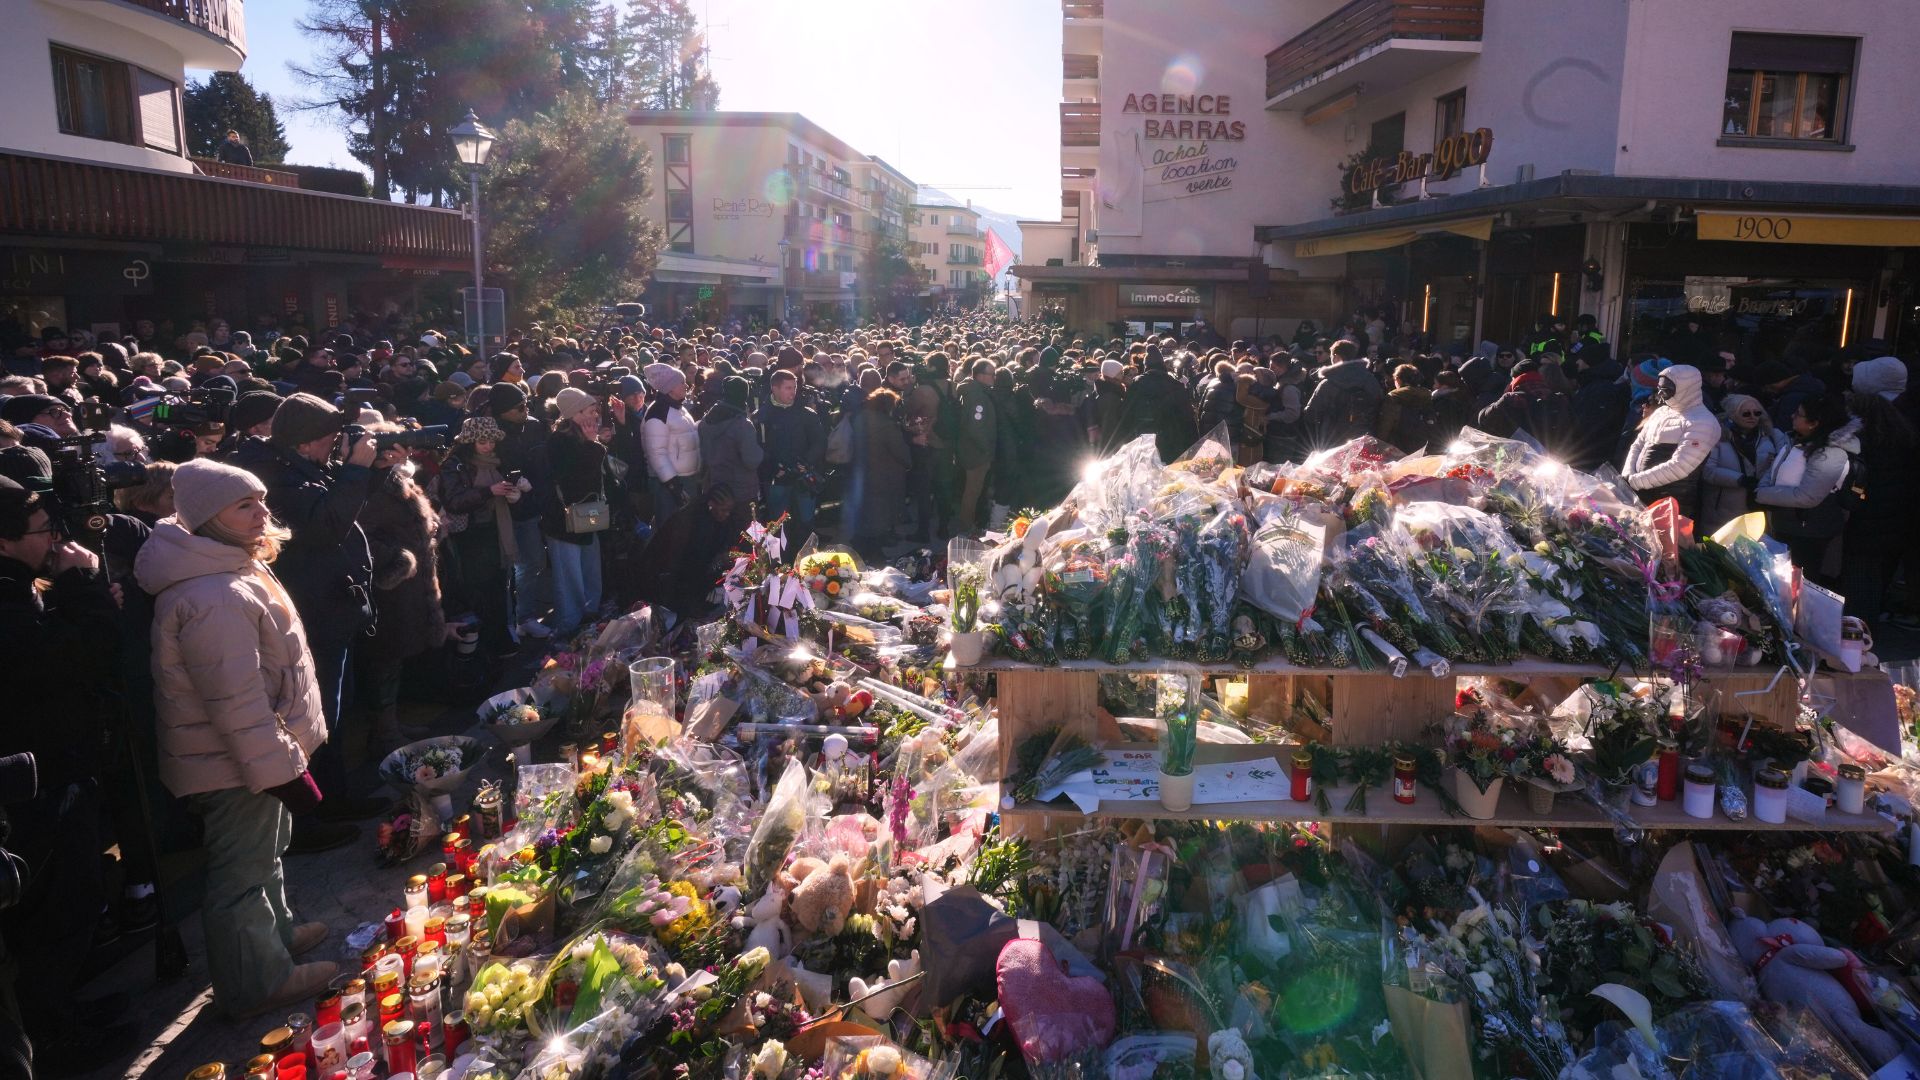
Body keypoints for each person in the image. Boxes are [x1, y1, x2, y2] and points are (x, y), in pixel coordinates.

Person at [133, 459, 335, 1020]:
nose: (263, 513)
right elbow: (236, 702)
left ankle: (276, 936)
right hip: (233, 762)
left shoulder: (229, 567)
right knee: (241, 869)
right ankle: (257, 980)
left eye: (261, 499)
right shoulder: (212, 593)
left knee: (265, 849)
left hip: (255, 752)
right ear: (207, 518)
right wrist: (279, 768)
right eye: (245, 505)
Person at [0, 476, 138, 1073]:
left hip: (56, 763)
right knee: (59, 911)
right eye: (41, 531)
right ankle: (51, 1034)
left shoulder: (16, 588)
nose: (54, 539)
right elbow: (71, 655)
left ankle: (63, 1013)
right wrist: (83, 588)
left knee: (69, 905)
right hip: (37, 781)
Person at [246, 393, 384, 851]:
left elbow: (342, 508)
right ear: (306, 443)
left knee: (332, 716)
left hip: (333, 609)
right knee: (309, 718)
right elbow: (326, 524)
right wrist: (357, 469)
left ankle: (336, 798)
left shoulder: (301, 467)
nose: (337, 446)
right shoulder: (278, 480)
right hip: (312, 615)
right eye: (331, 439)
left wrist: (372, 472)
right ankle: (311, 817)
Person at [356, 430, 446, 750]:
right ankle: (384, 733)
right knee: (384, 658)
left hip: (408, 585)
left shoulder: (394, 478)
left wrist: (431, 525)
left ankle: (391, 723)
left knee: (394, 659)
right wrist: (399, 559)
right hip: (388, 586)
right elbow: (358, 535)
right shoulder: (367, 484)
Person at [436, 417, 524, 657]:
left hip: (495, 532)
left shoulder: (498, 461)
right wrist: (488, 492)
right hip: (469, 535)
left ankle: (499, 638)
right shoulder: (455, 464)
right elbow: (453, 501)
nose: (488, 446)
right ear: (469, 442)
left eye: (491, 441)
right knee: (478, 590)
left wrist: (512, 494)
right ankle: (483, 643)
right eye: (482, 442)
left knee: (498, 587)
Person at [1752, 391, 1858, 578]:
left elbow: (1808, 497)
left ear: (1814, 423)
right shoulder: (1795, 440)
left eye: (1799, 414)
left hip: (1809, 531)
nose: (1793, 416)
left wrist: (1761, 494)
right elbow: (1774, 470)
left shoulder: (1830, 453)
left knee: (1800, 584)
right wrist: (1762, 490)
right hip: (1787, 524)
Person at [1838, 392, 1919, 622]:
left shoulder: (1859, 443)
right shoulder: (1905, 438)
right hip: (1897, 519)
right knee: (1879, 574)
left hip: (1864, 518)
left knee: (1857, 576)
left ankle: (1856, 627)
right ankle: (1871, 621)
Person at [543, 388, 611, 636]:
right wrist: (594, 446)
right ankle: (569, 626)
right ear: (575, 413)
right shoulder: (559, 441)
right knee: (569, 575)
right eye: (591, 410)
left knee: (590, 568)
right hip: (564, 519)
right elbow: (576, 480)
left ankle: (590, 615)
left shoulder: (582, 436)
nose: (595, 415)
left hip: (588, 514)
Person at [1620, 365, 1717, 522]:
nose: (1660, 394)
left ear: (1686, 388)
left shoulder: (1704, 422)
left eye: (1667, 389)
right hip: (1639, 496)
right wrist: (1627, 475)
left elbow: (1680, 466)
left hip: (1673, 504)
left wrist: (1634, 482)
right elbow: (1637, 445)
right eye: (1659, 388)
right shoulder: (1660, 412)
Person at [1696, 394, 1787, 537]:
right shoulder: (1716, 437)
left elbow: (1783, 463)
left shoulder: (1771, 436)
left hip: (1758, 507)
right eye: (1745, 413)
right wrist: (1740, 479)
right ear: (1731, 414)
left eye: (1757, 413)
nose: (1752, 417)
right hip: (1723, 511)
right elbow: (1707, 471)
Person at [756, 369, 825, 540]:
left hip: (803, 476)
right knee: (778, 524)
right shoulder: (761, 416)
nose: (793, 392)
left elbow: (820, 442)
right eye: (788, 388)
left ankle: (806, 556)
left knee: (806, 520)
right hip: (776, 478)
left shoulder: (806, 414)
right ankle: (781, 561)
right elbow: (757, 447)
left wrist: (807, 462)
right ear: (775, 388)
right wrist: (772, 467)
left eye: (794, 387)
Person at [851, 387, 911, 563]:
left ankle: (860, 545)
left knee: (865, 512)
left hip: (862, 471)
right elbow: (900, 451)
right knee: (880, 515)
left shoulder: (861, 418)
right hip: (884, 475)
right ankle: (875, 553)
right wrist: (908, 462)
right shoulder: (887, 425)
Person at [697, 375, 762, 525]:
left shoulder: (705, 421)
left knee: (720, 532)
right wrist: (763, 452)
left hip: (716, 489)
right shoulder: (742, 425)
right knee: (745, 538)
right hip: (742, 491)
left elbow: (704, 454)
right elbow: (752, 460)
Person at [641, 362, 701, 524]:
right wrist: (673, 485)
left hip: (687, 478)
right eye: (680, 382)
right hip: (670, 484)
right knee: (670, 530)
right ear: (670, 388)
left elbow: (687, 433)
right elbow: (657, 453)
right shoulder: (658, 413)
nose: (685, 385)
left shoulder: (678, 408)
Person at [1302, 339, 1382, 445]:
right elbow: (1378, 403)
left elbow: (1311, 414)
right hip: (1363, 438)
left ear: (1336, 356)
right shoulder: (1370, 379)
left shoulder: (1328, 383)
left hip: (1331, 440)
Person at [954, 359, 997, 534]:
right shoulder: (977, 396)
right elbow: (976, 427)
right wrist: (986, 449)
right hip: (976, 453)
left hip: (972, 450)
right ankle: (965, 527)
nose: (994, 378)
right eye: (991, 375)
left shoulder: (974, 391)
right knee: (972, 492)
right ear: (980, 376)